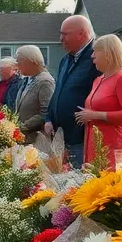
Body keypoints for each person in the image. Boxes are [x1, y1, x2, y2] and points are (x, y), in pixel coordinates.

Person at [43, 15, 101, 167]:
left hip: (81, 136)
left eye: (64, 34)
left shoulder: (96, 59)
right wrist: (49, 118)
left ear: (81, 33)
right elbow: (58, 92)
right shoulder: (66, 59)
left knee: (79, 182)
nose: (60, 38)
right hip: (61, 136)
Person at [78, 34, 122, 169]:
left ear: (108, 53)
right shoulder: (98, 80)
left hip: (112, 145)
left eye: (96, 51)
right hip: (93, 144)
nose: (92, 56)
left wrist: (95, 115)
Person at [12, 46, 56, 142]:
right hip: (23, 139)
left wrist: (22, 127)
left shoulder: (45, 81)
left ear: (31, 61)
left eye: (19, 61)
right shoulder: (27, 79)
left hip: (36, 141)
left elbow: (46, 113)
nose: (17, 65)